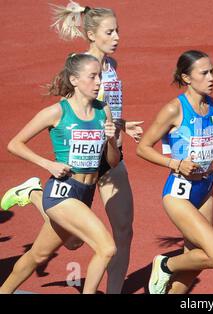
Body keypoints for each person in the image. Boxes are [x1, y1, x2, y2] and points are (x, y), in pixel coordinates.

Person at [0, 1, 142, 293]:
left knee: (122, 232)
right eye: (110, 31)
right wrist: (52, 163)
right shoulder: (80, 67)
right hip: (77, 169)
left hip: (110, 156)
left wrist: (121, 127)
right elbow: (72, 117)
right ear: (91, 34)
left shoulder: (111, 67)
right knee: (80, 242)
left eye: (118, 31)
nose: (117, 37)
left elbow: (102, 114)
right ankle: (37, 195)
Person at [0, 53, 119, 294]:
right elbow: (15, 144)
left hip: (86, 192)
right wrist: (47, 164)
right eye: (92, 76)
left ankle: (32, 193)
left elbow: (113, 162)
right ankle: (37, 193)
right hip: (62, 190)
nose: (98, 82)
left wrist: (112, 141)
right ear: (74, 80)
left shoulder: (103, 110)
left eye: (100, 76)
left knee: (42, 253)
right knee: (106, 248)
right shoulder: (56, 112)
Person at [137, 50, 213, 294]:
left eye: (212, 71)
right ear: (186, 78)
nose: (211, 77)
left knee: (195, 262)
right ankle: (165, 264)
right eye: (204, 73)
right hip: (179, 191)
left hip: (205, 188)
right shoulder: (175, 109)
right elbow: (143, 148)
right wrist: (175, 163)